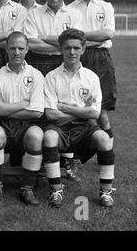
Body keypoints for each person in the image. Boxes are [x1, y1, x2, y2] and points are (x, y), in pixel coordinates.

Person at [43, 28, 115, 208]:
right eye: (67, 48)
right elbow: (51, 114)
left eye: (76, 48)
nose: (72, 52)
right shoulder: (51, 77)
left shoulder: (91, 77)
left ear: (83, 49)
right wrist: (80, 111)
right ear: (61, 50)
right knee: (49, 136)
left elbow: (95, 113)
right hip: (59, 128)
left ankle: (106, 192)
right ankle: (56, 190)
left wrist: (64, 107)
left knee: (104, 139)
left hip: (84, 128)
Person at [0, 31, 45, 205]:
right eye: (12, 48)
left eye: (21, 48)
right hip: (3, 125)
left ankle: (27, 188)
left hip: (28, 125)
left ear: (27, 49)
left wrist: (5, 109)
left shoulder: (36, 75)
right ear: (6, 49)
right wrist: (23, 103)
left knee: (36, 136)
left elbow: (36, 112)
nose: (16, 52)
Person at [69, 0, 117, 148]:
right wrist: (89, 38)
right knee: (76, 109)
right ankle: (71, 157)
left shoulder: (105, 6)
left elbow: (107, 33)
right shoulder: (69, 9)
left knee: (102, 112)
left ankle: (107, 151)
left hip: (100, 59)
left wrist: (80, 36)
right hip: (76, 58)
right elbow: (69, 37)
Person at [24, 0, 83, 77]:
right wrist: (64, 45)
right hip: (38, 62)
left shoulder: (75, 14)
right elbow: (32, 43)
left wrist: (44, 37)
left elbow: (75, 42)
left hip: (64, 62)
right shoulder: (33, 14)